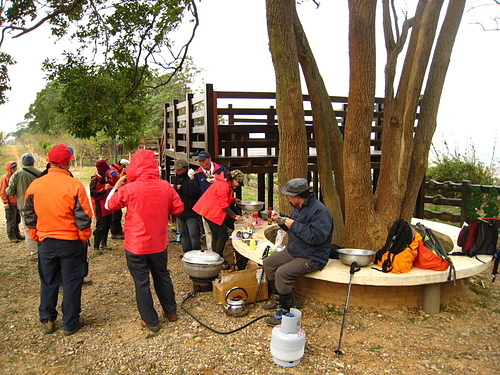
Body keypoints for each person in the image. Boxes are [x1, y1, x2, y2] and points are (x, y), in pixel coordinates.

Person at [105, 149, 184, 332]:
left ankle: (151, 321)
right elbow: (178, 209)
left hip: (136, 245)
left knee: (142, 283)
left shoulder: (129, 189)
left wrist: (117, 185)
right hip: (159, 243)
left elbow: (109, 204)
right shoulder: (165, 186)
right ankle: (171, 312)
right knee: (162, 276)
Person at [24, 144, 93, 335]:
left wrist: (34, 233)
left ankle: (47, 319)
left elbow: (28, 213)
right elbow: (84, 217)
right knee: (71, 282)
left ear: (49, 161)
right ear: (68, 162)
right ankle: (70, 323)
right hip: (70, 242)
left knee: (48, 281)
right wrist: (83, 237)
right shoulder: (75, 185)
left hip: (45, 241)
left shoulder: (35, 185)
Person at [263, 178, 333, 325]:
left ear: (297, 196)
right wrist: (282, 219)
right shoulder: (299, 207)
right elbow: (296, 228)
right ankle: (278, 302)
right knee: (269, 263)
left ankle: (286, 312)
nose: (287, 197)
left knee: (282, 273)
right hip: (295, 250)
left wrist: (293, 224)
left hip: (312, 256)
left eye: (289, 195)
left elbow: (316, 238)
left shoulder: (320, 211)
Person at [193, 170, 245, 261]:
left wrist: (234, 200)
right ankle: (218, 258)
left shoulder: (225, 183)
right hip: (211, 212)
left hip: (208, 210)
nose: (238, 185)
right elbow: (223, 204)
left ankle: (214, 257)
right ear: (233, 179)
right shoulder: (224, 185)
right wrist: (234, 216)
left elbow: (223, 197)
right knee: (223, 234)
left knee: (216, 235)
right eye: (238, 182)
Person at [188, 151, 229, 251]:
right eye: (200, 161)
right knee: (208, 231)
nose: (202, 163)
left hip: (219, 206)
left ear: (209, 159)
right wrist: (192, 180)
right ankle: (211, 251)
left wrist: (218, 179)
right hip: (206, 207)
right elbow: (195, 191)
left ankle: (217, 252)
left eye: (203, 160)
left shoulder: (220, 169)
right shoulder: (198, 173)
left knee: (219, 231)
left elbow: (229, 180)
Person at [6, 153, 42, 259]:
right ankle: (44, 249)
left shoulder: (17, 175)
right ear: (33, 161)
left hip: (24, 205)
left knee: (28, 228)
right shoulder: (40, 173)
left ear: (22, 163)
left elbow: (10, 192)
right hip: (39, 204)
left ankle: (35, 253)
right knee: (41, 226)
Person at [171, 159, 201, 253]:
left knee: (193, 234)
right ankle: (186, 252)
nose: (177, 171)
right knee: (183, 233)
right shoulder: (175, 179)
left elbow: (195, 193)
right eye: (176, 169)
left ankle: (196, 253)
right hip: (180, 212)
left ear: (185, 168)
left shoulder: (191, 178)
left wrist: (181, 188)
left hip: (191, 211)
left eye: (179, 169)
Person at [90, 160, 114, 254]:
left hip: (108, 207)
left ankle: (103, 243)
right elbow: (93, 195)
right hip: (100, 208)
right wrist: (104, 190)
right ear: (103, 171)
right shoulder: (95, 180)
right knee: (100, 227)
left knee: (107, 225)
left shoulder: (106, 178)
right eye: (108, 169)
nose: (109, 171)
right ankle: (96, 246)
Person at [0, 161, 23, 243]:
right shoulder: (5, 178)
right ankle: (12, 236)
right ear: (9, 168)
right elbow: (3, 191)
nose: (15, 168)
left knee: (17, 220)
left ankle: (17, 234)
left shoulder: (17, 176)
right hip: (10, 203)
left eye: (15, 167)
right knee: (11, 220)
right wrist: (5, 202)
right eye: (13, 167)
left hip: (17, 202)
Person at [109, 159, 129, 239]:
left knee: (118, 214)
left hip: (116, 192)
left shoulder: (116, 170)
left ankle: (118, 230)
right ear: (121, 165)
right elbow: (117, 180)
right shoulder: (114, 172)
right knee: (115, 215)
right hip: (113, 193)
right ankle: (115, 232)